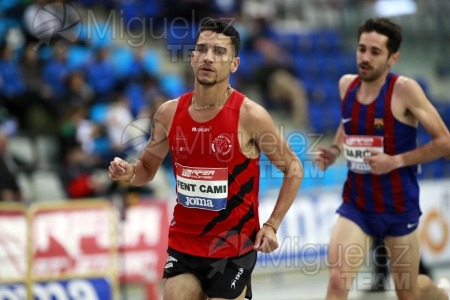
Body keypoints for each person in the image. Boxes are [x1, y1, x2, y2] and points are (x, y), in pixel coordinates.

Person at [108, 18, 304, 300]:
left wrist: (272, 224)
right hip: (185, 243)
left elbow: (293, 168)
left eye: (220, 52)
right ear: (192, 58)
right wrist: (128, 173)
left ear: (234, 64)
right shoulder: (168, 113)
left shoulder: (250, 115)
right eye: (202, 49)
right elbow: (146, 170)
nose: (209, 58)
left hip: (233, 248)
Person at [315, 18, 450, 300]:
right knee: (337, 284)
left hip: (398, 208)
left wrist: (395, 161)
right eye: (361, 49)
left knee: (408, 293)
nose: (365, 58)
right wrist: (336, 150)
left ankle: (439, 292)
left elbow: (445, 143)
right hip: (357, 205)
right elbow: (348, 122)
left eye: (375, 52)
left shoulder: (405, 90)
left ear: (393, 58)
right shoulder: (346, 86)